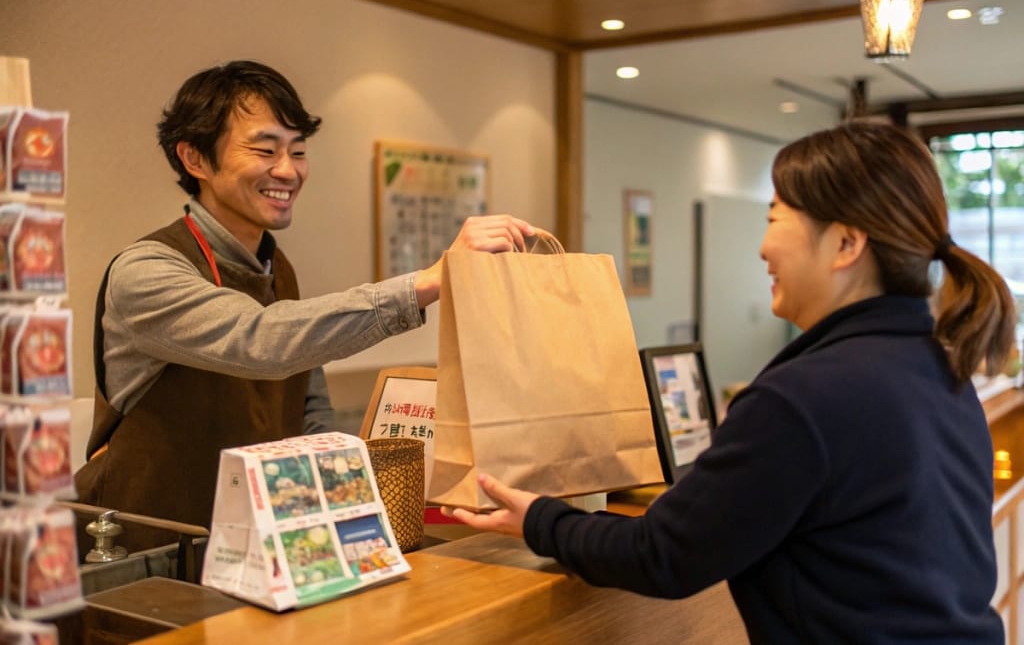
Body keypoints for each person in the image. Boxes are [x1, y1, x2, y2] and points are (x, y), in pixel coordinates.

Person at [445, 121, 1015, 644]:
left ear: (846, 244)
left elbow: (663, 554)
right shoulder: (940, 366)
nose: (764, 248)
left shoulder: (804, 399)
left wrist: (539, 520)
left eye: (774, 220)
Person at [74, 60, 534, 551]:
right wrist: (429, 280)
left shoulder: (277, 267)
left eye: (298, 151)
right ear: (195, 159)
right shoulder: (145, 271)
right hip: (149, 554)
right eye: (265, 149)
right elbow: (261, 339)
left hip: (260, 551)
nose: (288, 171)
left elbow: (309, 412)